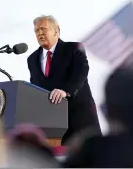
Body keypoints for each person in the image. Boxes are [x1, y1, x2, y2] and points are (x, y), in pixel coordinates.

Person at [27, 15, 101, 145]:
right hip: (52, 127)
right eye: (36, 31)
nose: (39, 33)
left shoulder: (73, 48)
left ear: (56, 30)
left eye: (43, 29)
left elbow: (81, 73)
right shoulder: (32, 59)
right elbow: (35, 87)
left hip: (79, 120)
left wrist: (65, 91)